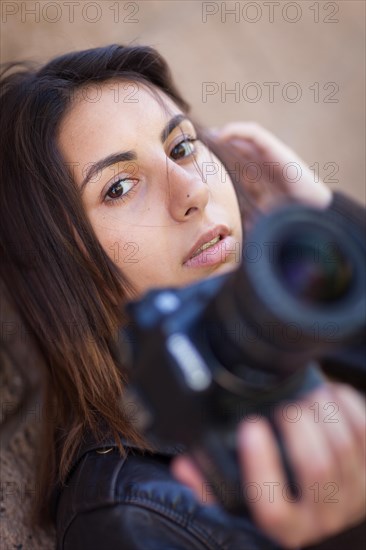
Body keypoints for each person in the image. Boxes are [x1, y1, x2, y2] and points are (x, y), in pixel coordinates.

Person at [0, 44, 365, 550]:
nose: (190, 189)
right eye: (120, 187)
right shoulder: (130, 520)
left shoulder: (313, 335)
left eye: (181, 148)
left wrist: (334, 225)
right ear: (61, 271)